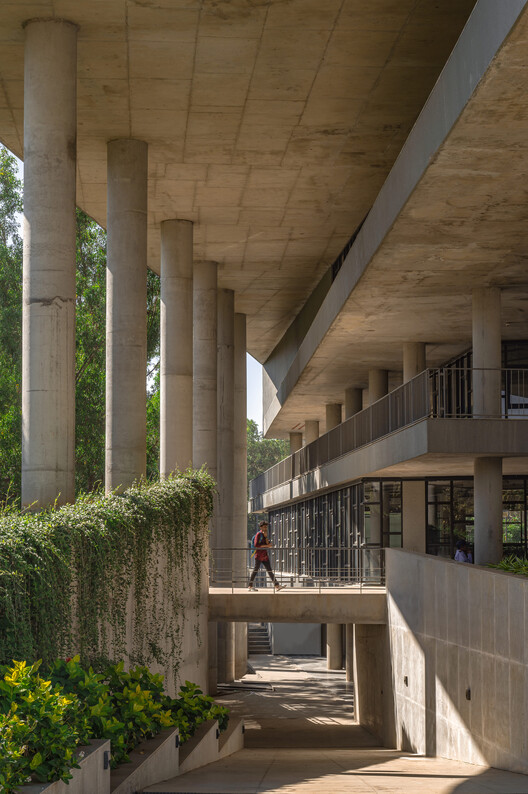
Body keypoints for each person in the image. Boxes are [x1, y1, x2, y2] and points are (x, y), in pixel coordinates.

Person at [248, 520, 284, 591]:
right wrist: (267, 545)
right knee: (255, 570)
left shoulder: (264, 535)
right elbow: (256, 545)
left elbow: (267, 544)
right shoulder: (258, 534)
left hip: (264, 556)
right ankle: (250, 586)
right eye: (264, 527)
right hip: (259, 555)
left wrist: (267, 540)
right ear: (261, 527)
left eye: (266, 527)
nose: (265, 528)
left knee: (269, 570)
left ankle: (277, 585)